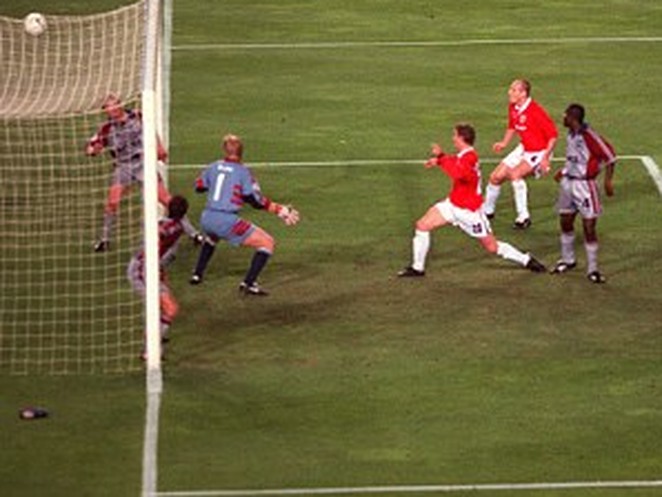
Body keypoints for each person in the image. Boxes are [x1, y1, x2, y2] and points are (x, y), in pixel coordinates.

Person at [397, 123, 546, 277]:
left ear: (462, 138)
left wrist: (441, 159)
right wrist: (440, 159)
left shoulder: (470, 157)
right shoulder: (464, 155)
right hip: (452, 205)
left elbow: (458, 173)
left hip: (470, 212)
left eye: (455, 135)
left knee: (492, 247)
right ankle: (417, 268)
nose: (453, 139)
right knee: (422, 225)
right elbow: (455, 161)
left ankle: (525, 259)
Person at [86, 93, 201, 252]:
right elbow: (91, 147)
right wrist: (94, 150)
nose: (112, 110)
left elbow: (151, 131)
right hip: (123, 167)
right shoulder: (106, 129)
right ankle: (104, 240)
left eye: (114, 105)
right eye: (108, 107)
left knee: (167, 200)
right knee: (112, 203)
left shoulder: (137, 116)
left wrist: (159, 147)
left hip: (143, 164)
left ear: (120, 104)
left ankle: (194, 234)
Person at [189, 133, 300, 295]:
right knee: (267, 242)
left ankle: (197, 274)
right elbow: (254, 201)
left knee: (213, 236)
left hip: (207, 218)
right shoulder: (243, 172)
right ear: (242, 151)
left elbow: (199, 187)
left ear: (224, 150)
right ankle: (249, 283)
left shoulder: (213, 166)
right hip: (226, 221)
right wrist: (279, 209)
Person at [551, 104, 616, 283]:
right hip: (568, 184)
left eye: (565, 115)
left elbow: (610, 157)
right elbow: (574, 159)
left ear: (573, 118)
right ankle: (568, 260)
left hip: (585, 186)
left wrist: (608, 181)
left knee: (589, 227)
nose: (563, 118)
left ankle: (593, 269)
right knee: (565, 221)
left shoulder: (590, 136)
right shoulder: (570, 135)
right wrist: (564, 171)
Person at [483, 79, 558, 229]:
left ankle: (523, 217)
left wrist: (545, 158)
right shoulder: (514, 106)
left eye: (513, 90)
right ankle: (487, 211)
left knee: (515, 175)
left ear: (523, 93)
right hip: (524, 148)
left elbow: (553, 135)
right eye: (510, 89)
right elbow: (512, 126)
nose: (509, 92)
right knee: (495, 177)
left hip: (539, 151)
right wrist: (504, 143)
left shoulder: (535, 111)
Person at [127, 195, 190, 359]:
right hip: (142, 269)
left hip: (149, 267)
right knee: (165, 308)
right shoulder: (176, 228)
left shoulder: (166, 225)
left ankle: (153, 342)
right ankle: (150, 349)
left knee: (166, 308)